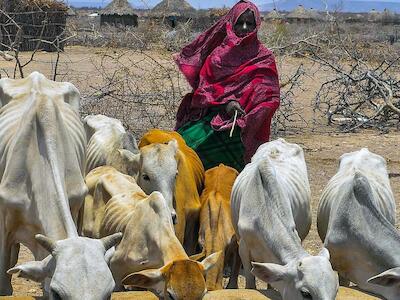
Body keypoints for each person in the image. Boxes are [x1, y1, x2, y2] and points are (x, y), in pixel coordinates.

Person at [174, 0, 280, 171]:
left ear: (257, 25)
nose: (245, 28)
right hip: (210, 118)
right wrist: (227, 103)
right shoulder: (217, 56)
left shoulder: (264, 58)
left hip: (245, 127)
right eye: (240, 23)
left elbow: (270, 97)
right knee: (183, 148)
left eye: (250, 23)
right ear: (231, 24)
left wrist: (248, 116)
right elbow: (203, 90)